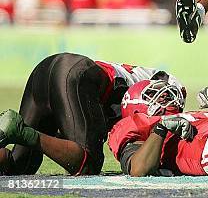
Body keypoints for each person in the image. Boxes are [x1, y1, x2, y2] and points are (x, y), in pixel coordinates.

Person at [0, 52, 182, 175]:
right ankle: (21, 132)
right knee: (89, 164)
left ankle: (17, 131)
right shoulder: (160, 86)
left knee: (19, 166)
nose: (166, 107)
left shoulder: (146, 88)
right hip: (74, 75)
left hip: (50, 70)